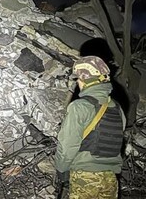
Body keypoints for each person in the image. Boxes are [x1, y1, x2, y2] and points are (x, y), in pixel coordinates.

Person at [54, 55, 126, 199]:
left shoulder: (80, 107)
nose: (78, 82)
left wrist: (61, 170)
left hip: (85, 177)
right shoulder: (117, 108)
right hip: (110, 178)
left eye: (78, 78)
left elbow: (68, 144)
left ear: (85, 80)